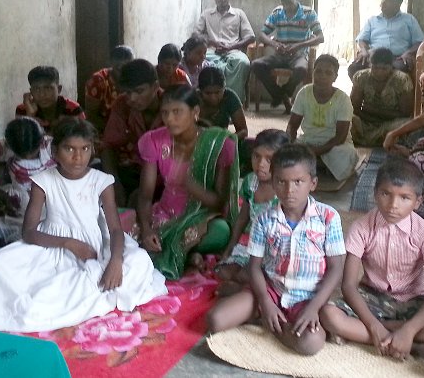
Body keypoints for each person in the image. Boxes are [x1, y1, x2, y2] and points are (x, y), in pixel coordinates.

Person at [0, 119, 166, 332]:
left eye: (85, 149)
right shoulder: (42, 181)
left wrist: (115, 261)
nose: (78, 157)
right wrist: (68, 243)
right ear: (55, 151)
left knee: (138, 261)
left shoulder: (102, 181)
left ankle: (73, 291)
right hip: (52, 244)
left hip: (95, 245)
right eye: (69, 149)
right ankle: (65, 293)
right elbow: (29, 233)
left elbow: (115, 229)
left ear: (92, 150)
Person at [207, 144, 346, 356]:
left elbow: (336, 268)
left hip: (307, 297)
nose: (290, 190)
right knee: (215, 321)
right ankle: (267, 315)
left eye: (298, 182)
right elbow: (254, 266)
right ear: (273, 183)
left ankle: (263, 320)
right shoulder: (264, 219)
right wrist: (265, 301)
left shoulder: (328, 217)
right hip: (271, 290)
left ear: (313, 183)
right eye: (281, 181)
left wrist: (314, 307)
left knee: (310, 344)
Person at [320, 158, 424, 359]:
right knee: (329, 314)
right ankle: (409, 345)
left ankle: (385, 336)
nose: (394, 205)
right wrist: (374, 325)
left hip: (414, 300)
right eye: (386, 194)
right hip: (373, 297)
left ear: (418, 202)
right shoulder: (361, 227)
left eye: (404, 198)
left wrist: (409, 329)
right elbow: (349, 286)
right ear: (375, 194)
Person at [136, 85, 239, 280]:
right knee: (121, 225)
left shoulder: (218, 144)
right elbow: (145, 194)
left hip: (202, 217)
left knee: (221, 232)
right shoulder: (154, 140)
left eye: (177, 112)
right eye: (165, 113)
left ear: (195, 112)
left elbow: (219, 202)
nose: (170, 119)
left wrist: (192, 186)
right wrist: (147, 229)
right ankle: (188, 252)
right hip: (165, 214)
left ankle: (185, 250)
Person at [215, 129, 290, 296]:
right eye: (256, 156)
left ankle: (248, 289)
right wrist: (230, 247)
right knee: (223, 272)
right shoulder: (250, 181)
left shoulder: (286, 190)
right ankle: (244, 288)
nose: (261, 164)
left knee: (244, 276)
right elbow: (243, 217)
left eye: (269, 159)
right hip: (249, 242)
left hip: (273, 249)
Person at [101, 59, 164, 207]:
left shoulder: (173, 105)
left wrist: (146, 189)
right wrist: (115, 184)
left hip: (166, 177)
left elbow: (182, 159)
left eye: (139, 91)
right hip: (133, 171)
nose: (132, 98)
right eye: (128, 92)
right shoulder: (122, 104)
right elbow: (108, 146)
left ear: (155, 86)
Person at [252, 0, 324, 113]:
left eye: (289, 2)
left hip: (299, 54)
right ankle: (280, 95)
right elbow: (262, 34)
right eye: (284, 3)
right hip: (280, 54)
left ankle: (282, 94)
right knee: (256, 64)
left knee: (301, 69)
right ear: (280, 0)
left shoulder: (308, 13)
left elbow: (320, 37)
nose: (287, 6)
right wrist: (275, 45)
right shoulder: (277, 12)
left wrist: (298, 45)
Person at [287, 54, 358, 182]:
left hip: (334, 145)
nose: (322, 76)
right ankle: (320, 165)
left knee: (346, 154)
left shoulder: (343, 100)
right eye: (318, 71)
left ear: (335, 77)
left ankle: (311, 163)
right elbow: (292, 125)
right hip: (308, 141)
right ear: (312, 72)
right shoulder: (304, 93)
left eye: (328, 73)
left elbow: (340, 137)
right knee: (280, 145)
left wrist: (316, 151)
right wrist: (290, 143)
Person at [0, 117, 56, 227]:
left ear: (42, 140)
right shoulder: (1, 149)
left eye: (33, 153)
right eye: (21, 155)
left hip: (53, 199)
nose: (28, 157)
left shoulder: (52, 147)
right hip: (20, 204)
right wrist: (6, 199)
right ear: (9, 145)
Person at [193, 0, 255, 103]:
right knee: (204, 63)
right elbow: (196, 34)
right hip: (211, 51)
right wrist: (212, 42)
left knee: (243, 63)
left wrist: (230, 47)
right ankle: (211, 101)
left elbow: (251, 37)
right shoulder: (207, 14)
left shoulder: (239, 14)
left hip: (233, 50)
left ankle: (233, 102)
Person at [347, 0, 424, 79]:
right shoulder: (372, 20)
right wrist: (364, 51)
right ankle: (367, 92)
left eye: (388, 0)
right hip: (373, 57)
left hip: (397, 58)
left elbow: (419, 42)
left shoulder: (409, 19)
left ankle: (386, 93)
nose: (383, 2)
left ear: (398, 4)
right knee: (354, 68)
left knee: (398, 70)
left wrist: (408, 53)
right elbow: (362, 39)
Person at [350, 47, 414, 147]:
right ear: (370, 65)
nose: (379, 72)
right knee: (349, 119)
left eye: (384, 68)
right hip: (366, 121)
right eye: (375, 68)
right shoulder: (361, 77)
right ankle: (381, 141)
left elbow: (405, 113)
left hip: (391, 123)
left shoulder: (402, 80)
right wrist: (370, 117)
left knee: (406, 124)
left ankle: (371, 140)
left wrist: (373, 111)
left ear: (391, 67)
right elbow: (354, 108)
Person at [16, 66, 85, 134]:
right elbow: (21, 141)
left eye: (48, 88)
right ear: (31, 92)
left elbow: (83, 137)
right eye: (36, 89)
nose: (42, 94)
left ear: (59, 89)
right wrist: (30, 116)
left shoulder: (72, 110)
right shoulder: (23, 109)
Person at [84, 45, 135, 133]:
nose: (123, 71)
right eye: (119, 67)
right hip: (103, 129)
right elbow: (90, 115)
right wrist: (116, 130)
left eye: (127, 67)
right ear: (110, 63)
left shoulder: (135, 78)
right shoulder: (98, 81)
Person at [197, 66, 248, 139]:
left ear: (224, 88)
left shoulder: (229, 97)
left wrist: (224, 141)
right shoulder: (194, 99)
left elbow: (243, 131)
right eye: (208, 93)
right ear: (200, 90)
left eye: (217, 92)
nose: (213, 98)